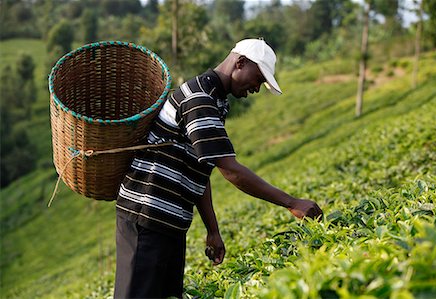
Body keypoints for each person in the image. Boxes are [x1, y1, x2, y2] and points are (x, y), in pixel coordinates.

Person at [114, 38, 322, 299]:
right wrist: (291, 202)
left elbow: (201, 167)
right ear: (240, 62)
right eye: (257, 79)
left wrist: (212, 230)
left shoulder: (217, 102)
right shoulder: (200, 99)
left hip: (170, 222)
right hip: (146, 217)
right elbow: (230, 170)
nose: (256, 88)